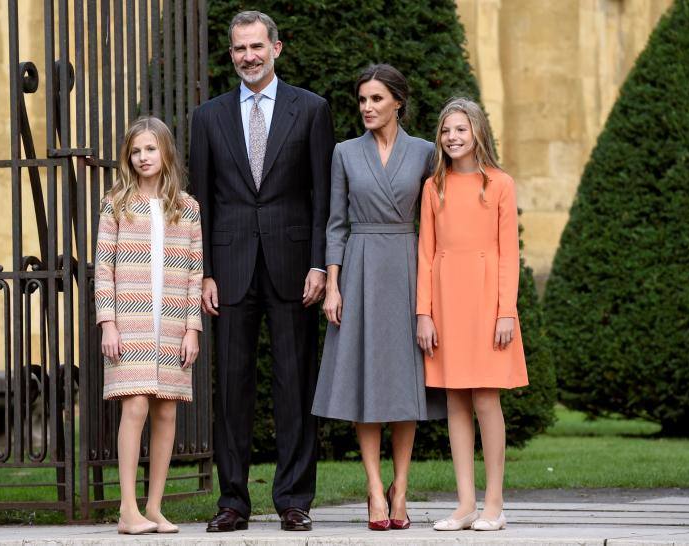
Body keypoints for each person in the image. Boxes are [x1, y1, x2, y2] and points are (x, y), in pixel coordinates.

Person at [188, 10, 334, 533]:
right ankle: (232, 502)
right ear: (231, 55)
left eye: (256, 47)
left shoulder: (312, 110)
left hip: (295, 267)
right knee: (231, 388)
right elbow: (198, 201)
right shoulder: (207, 117)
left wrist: (320, 262)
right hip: (227, 269)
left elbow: (322, 195)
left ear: (277, 47)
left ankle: (295, 498)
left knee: (296, 385)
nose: (248, 57)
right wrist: (202, 271)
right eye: (239, 49)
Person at [312, 64, 447, 531]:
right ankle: (373, 488)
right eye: (362, 100)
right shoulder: (344, 153)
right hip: (361, 264)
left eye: (376, 100)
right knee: (365, 381)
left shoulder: (427, 153)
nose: (367, 108)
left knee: (403, 386)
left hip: (408, 266)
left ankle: (401, 488)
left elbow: (435, 222)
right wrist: (333, 284)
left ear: (398, 102)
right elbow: (336, 224)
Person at [416, 97, 529, 532]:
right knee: (455, 399)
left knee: (485, 398)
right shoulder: (433, 187)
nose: (452, 137)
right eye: (446, 130)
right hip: (445, 301)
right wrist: (423, 313)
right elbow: (425, 253)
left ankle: (494, 503)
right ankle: (465, 503)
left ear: (477, 132)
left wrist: (506, 311)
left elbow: (508, 255)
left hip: (486, 301)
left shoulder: (499, 183)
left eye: (461, 129)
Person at [94, 116, 203, 535]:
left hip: (172, 322)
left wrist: (192, 328)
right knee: (135, 405)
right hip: (131, 321)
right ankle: (127, 508)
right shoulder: (116, 204)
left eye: (150, 149)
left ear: (166, 152)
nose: (143, 157)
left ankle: (154, 507)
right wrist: (108, 323)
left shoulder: (187, 208)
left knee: (166, 411)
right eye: (136, 151)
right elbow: (103, 268)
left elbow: (195, 271)